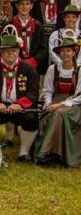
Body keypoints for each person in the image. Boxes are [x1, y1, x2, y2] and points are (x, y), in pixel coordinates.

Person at [0, 25, 39, 162]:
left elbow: (33, 91)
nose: (10, 53)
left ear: (18, 51)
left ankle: (24, 153)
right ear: (1, 52)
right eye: (7, 51)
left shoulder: (29, 68)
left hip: (19, 107)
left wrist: (19, 104)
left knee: (31, 119)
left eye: (13, 50)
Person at [34, 36, 81, 167]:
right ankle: (55, 154)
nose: (65, 54)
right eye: (62, 51)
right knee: (49, 115)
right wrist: (48, 104)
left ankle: (46, 151)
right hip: (55, 103)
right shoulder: (52, 69)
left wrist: (60, 105)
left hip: (75, 105)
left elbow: (79, 96)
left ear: (74, 52)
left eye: (68, 51)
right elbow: (48, 91)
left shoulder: (79, 71)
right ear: (59, 53)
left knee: (59, 114)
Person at [10, 0, 47, 73]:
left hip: (33, 67)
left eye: (27, 4)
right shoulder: (9, 25)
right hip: (13, 65)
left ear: (31, 6)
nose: (24, 7)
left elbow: (43, 48)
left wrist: (34, 60)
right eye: (21, 4)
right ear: (17, 6)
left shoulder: (38, 26)